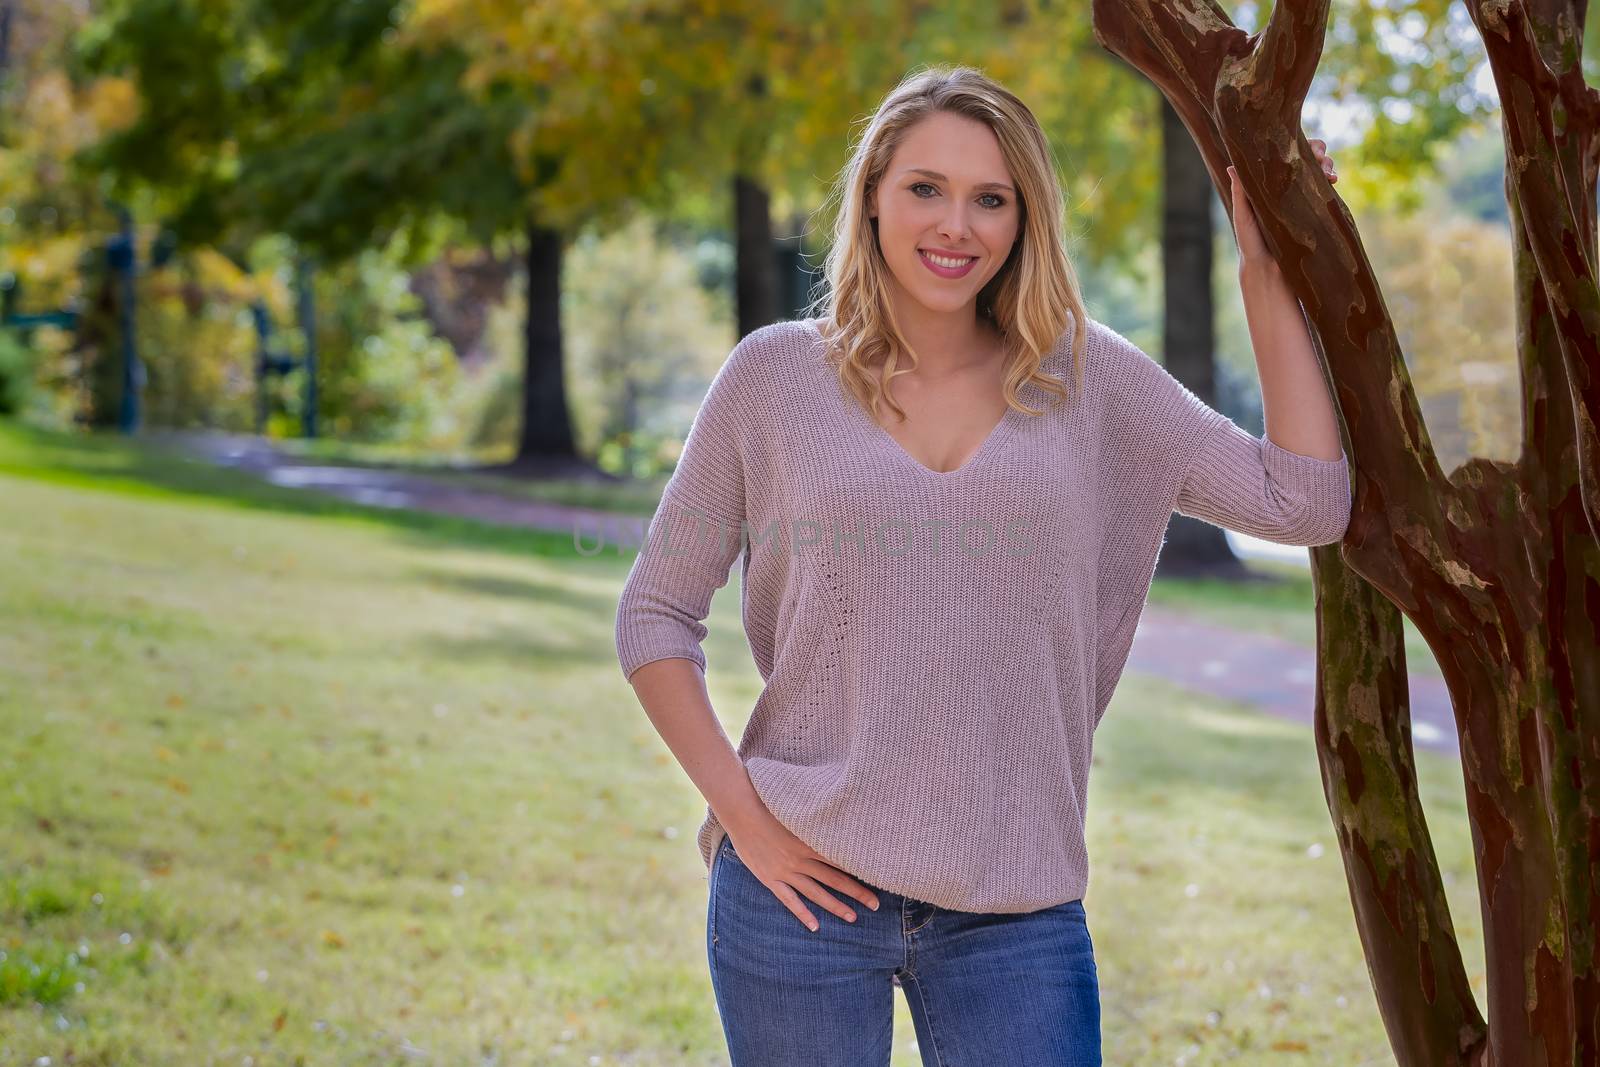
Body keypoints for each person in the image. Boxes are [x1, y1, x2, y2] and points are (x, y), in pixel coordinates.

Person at [614, 65, 1349, 1067]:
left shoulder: (1089, 381)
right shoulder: (773, 376)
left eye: (989, 198)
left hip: (1016, 908)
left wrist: (1266, 271)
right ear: (873, 193)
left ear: (1022, 218)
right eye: (925, 187)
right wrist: (747, 818)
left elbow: (1301, 501)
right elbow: (655, 613)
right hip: (799, 889)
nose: (954, 224)